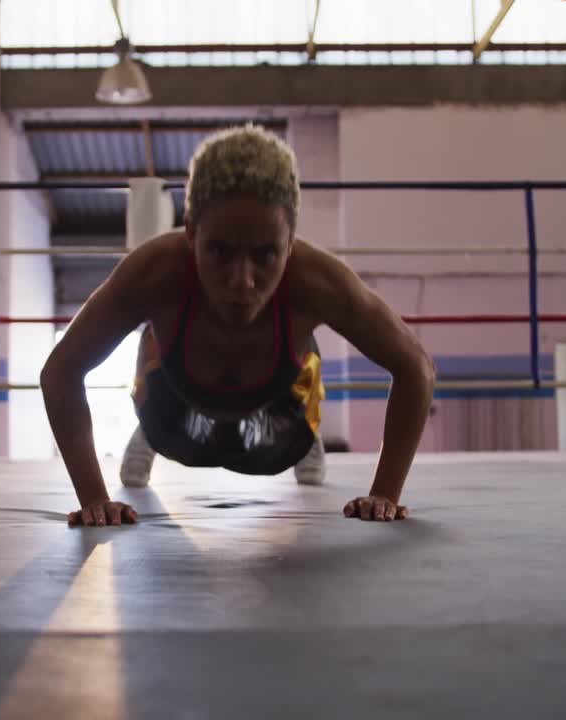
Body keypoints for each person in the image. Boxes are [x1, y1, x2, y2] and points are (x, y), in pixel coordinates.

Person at [39, 125, 435, 528]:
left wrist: (385, 493)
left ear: (291, 240)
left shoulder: (317, 280)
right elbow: (60, 371)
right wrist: (93, 499)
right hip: (172, 409)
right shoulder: (154, 273)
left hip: (280, 417)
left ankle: (306, 434)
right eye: (220, 251)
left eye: (265, 254)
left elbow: (415, 367)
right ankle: (147, 430)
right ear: (191, 233)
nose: (242, 281)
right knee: (156, 358)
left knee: (282, 443)